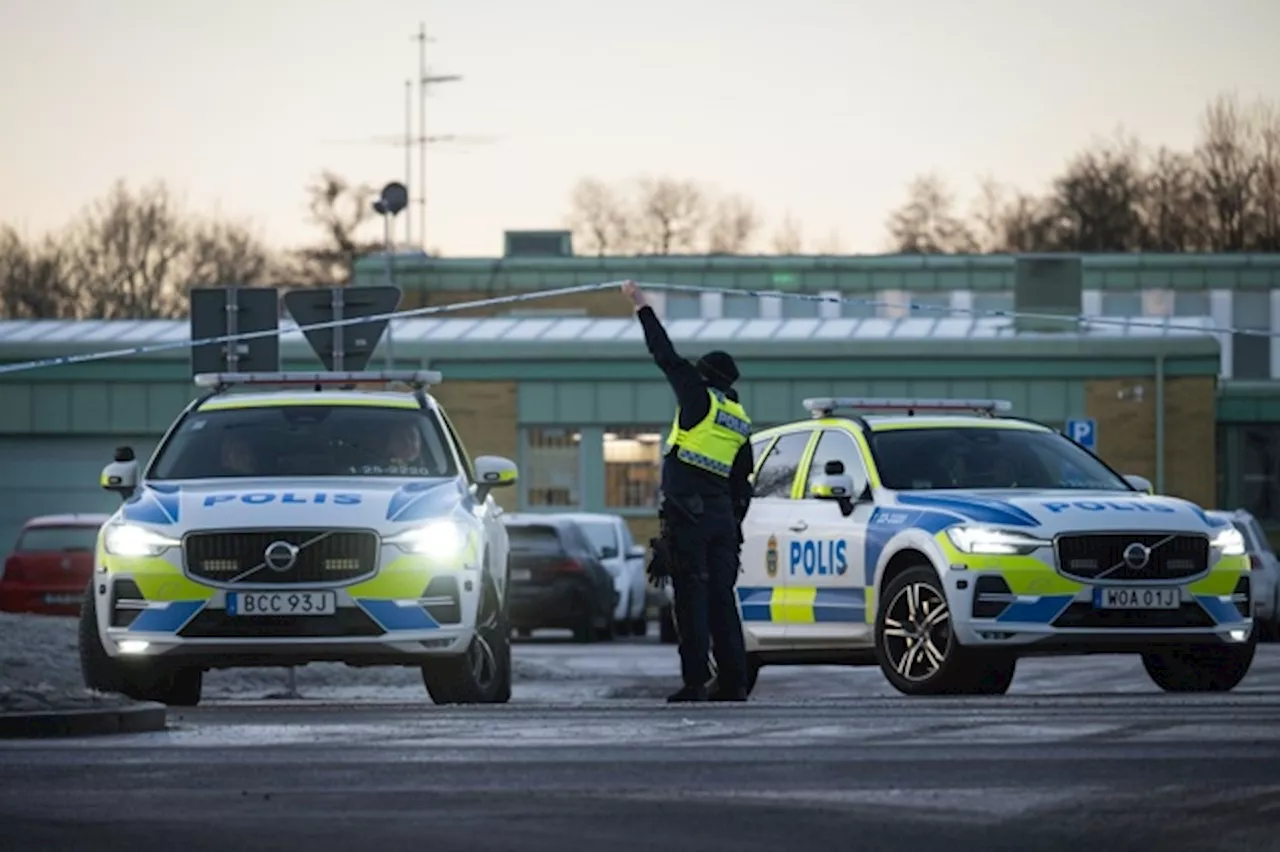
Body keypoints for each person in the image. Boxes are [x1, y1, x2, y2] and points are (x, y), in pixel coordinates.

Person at [621, 281, 755, 702]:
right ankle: (734, 682)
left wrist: (640, 305)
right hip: (721, 521)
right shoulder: (739, 418)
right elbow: (742, 482)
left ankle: (695, 682)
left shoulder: (699, 401)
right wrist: (732, 525)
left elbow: (664, 354)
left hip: (689, 518)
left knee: (691, 601)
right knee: (722, 601)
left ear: (705, 377)